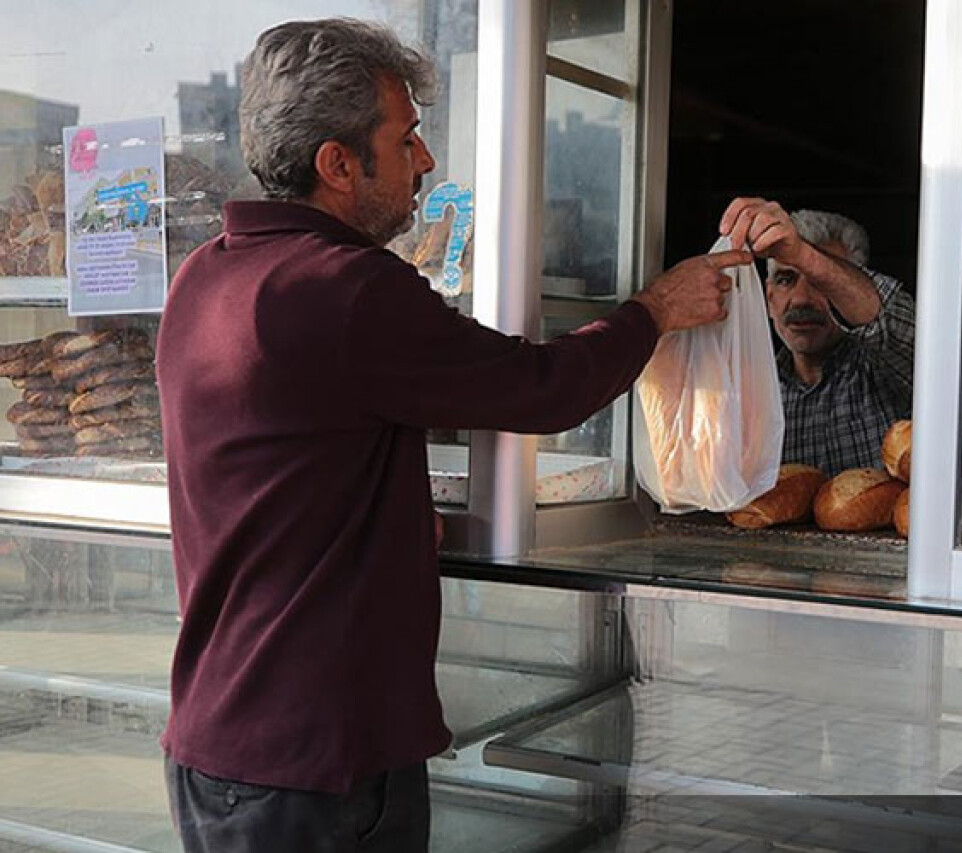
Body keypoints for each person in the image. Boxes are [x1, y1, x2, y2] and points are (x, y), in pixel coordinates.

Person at [155, 18, 748, 852]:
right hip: (322, 765)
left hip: (217, 743)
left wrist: (390, 516)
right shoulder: (351, 289)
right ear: (337, 163)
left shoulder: (204, 276)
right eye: (406, 139)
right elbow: (542, 388)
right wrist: (655, 311)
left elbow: (285, 457)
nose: (425, 162)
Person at [720, 198, 915, 476]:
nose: (801, 299)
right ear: (768, 296)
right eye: (786, 279)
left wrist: (803, 254)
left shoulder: (888, 370)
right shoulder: (745, 392)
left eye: (821, 282)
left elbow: (903, 330)